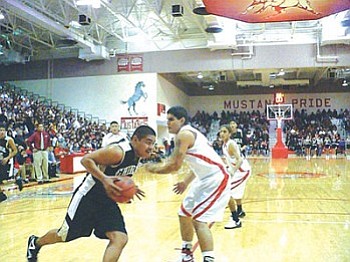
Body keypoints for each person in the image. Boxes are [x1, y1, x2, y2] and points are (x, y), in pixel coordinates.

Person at [26, 125, 156, 262]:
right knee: (64, 235)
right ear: (135, 139)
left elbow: (120, 175)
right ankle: (36, 242)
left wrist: (130, 187)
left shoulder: (138, 156)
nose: (151, 147)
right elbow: (86, 160)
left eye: (153, 143)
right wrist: (104, 179)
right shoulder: (117, 151)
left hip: (106, 201)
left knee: (120, 238)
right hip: (88, 197)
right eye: (148, 142)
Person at [145, 106, 230, 262]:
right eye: (167, 120)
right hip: (204, 178)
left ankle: (209, 259)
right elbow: (200, 163)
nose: (168, 123)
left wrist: (152, 169)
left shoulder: (184, 135)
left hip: (217, 178)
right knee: (184, 213)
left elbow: (174, 166)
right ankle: (186, 254)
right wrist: (185, 182)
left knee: (199, 220)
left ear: (181, 120)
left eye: (171, 119)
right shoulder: (190, 133)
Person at [219, 124, 252, 229]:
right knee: (236, 193)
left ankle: (235, 220)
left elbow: (240, 159)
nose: (222, 134)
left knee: (226, 191)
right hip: (238, 171)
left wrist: (232, 172)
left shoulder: (231, 144)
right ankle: (240, 210)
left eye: (225, 132)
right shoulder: (224, 145)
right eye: (221, 131)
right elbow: (230, 160)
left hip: (242, 171)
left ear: (229, 134)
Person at [0, 122, 19, 202]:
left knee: (4, 180)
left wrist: (7, 158)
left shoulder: (9, 140)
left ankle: (17, 181)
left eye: (3, 130)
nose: (1, 132)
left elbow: (15, 151)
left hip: (6, 162)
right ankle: (1, 194)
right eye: (0, 130)